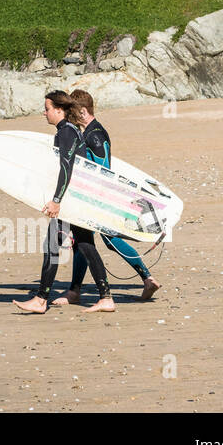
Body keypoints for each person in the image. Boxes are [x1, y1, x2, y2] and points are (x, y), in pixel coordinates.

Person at [14, 91, 114, 313]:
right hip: (77, 199)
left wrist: (57, 200)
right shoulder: (68, 131)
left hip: (72, 200)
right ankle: (106, 298)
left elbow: (67, 167)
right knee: (86, 246)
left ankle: (41, 299)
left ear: (59, 110)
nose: (45, 112)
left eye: (47, 108)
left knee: (52, 244)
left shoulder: (67, 132)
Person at [63, 90, 161, 303]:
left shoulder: (94, 134)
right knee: (85, 241)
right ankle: (74, 291)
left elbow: (103, 169)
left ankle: (146, 277)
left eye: (71, 111)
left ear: (82, 111)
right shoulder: (91, 131)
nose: (68, 115)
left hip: (97, 197)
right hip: (96, 196)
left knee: (102, 240)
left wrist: (95, 199)